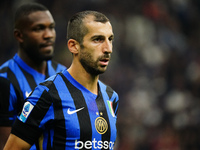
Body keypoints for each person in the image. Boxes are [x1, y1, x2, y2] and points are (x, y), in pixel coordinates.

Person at [4, 10, 119, 150]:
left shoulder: (111, 97)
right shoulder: (47, 94)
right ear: (73, 46)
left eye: (110, 39)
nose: (108, 48)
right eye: (98, 40)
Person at [0, 2, 66, 149]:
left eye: (51, 27)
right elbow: (7, 145)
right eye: (39, 28)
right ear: (19, 35)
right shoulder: (5, 80)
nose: (48, 35)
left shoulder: (63, 73)